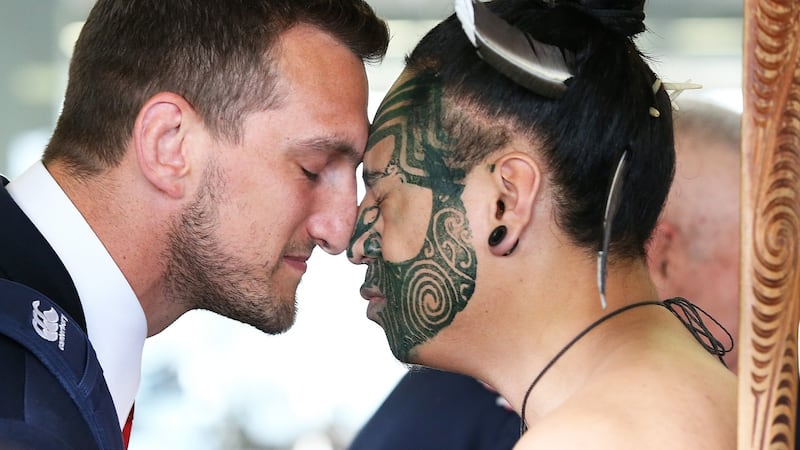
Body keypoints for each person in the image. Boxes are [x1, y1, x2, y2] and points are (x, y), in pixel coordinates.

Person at [346, 0, 736, 448]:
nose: (355, 242)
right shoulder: (686, 394)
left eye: (381, 191)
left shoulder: (593, 436)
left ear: (506, 203)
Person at [0, 1, 388, 448]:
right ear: (169, 144)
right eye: (313, 169)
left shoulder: (43, 351)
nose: (340, 231)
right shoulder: (18, 407)